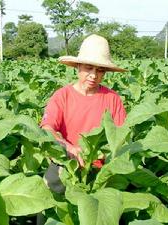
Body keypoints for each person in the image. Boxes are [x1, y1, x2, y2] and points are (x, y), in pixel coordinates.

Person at [40, 34, 127, 196]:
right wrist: (68, 147)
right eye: (89, 68)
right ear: (78, 66)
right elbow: (47, 129)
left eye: (100, 70)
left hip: (102, 171)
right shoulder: (62, 96)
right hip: (66, 165)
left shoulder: (113, 99)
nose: (94, 75)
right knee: (47, 202)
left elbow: (122, 138)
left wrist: (101, 154)